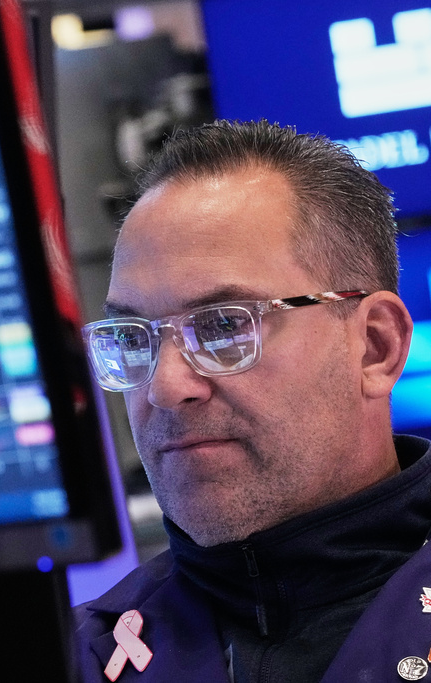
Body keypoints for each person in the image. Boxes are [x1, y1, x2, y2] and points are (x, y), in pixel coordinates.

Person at [74, 120, 427, 683]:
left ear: (374, 347)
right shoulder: (80, 658)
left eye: (222, 328)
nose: (165, 387)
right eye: (132, 337)